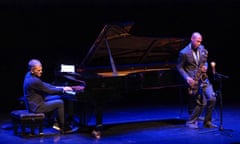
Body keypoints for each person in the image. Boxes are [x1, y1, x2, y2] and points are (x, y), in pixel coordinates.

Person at [177, 32, 217, 129]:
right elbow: (179, 67)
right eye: (198, 41)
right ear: (192, 39)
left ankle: (207, 122)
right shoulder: (184, 52)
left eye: (200, 41)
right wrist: (187, 78)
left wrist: (206, 67)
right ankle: (191, 121)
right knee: (202, 102)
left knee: (212, 98)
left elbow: (205, 62)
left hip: (203, 78)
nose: (200, 43)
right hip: (193, 80)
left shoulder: (202, 49)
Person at [23, 58, 75, 134]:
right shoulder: (34, 81)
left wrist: (60, 87)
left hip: (35, 102)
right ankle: (63, 127)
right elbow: (49, 91)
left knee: (59, 97)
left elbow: (44, 85)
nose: (41, 72)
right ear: (32, 70)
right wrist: (63, 89)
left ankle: (55, 122)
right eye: (39, 70)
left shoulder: (29, 75)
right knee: (60, 102)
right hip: (36, 107)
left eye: (41, 69)